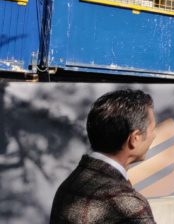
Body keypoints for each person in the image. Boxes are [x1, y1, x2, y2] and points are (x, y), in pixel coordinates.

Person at [50, 89, 158, 223]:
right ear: (134, 138)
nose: (154, 135)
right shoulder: (128, 203)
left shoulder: (69, 183)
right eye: (153, 129)